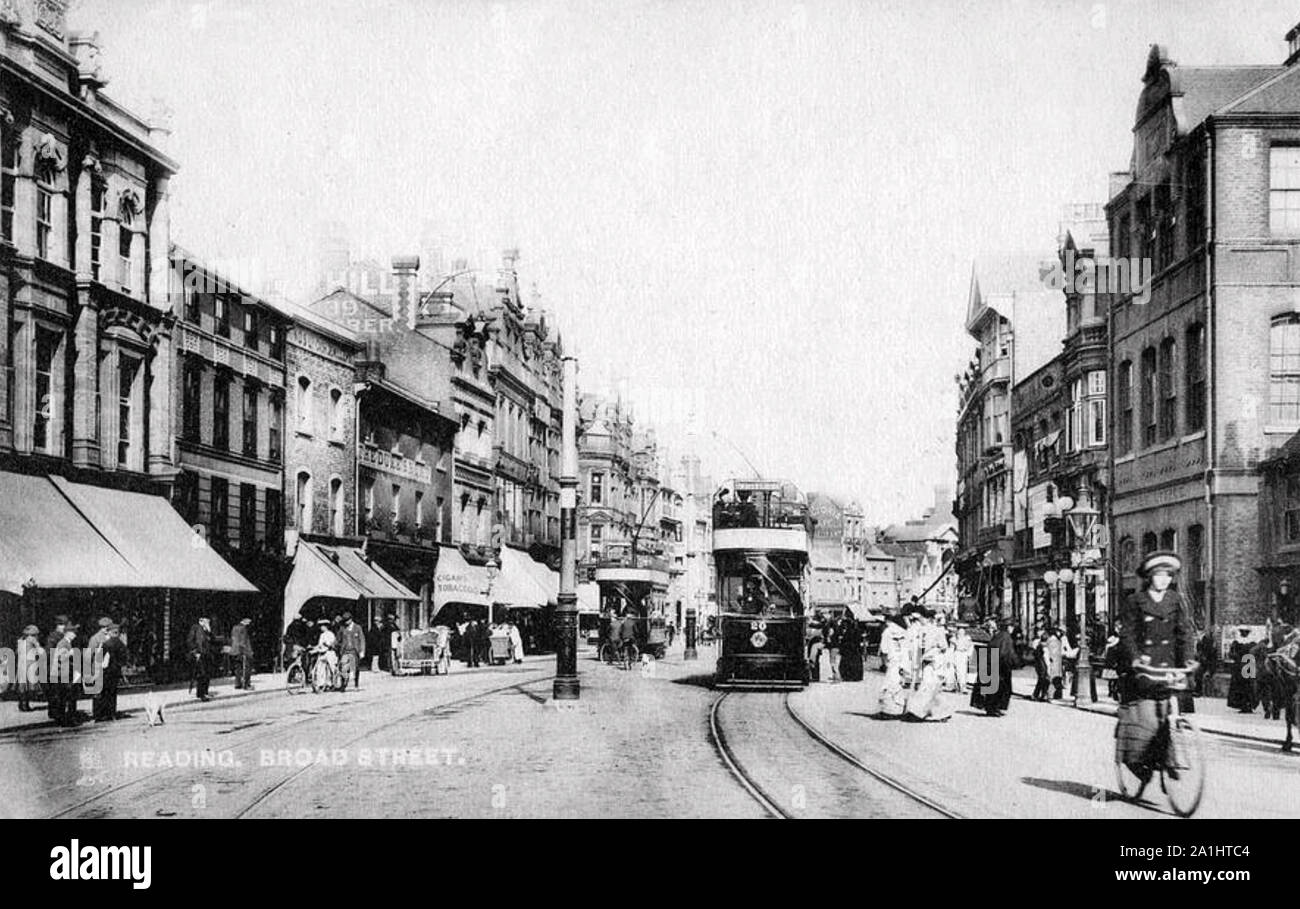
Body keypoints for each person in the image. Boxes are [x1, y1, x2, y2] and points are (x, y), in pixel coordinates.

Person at [1116, 551, 1197, 791]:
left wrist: (1189, 660)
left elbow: (1184, 633)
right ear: (1149, 577)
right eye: (1158, 575)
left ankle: (1168, 756)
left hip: (1169, 666)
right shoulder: (1135, 601)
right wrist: (1135, 658)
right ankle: (1141, 764)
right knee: (1146, 723)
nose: (1163, 580)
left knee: (1171, 713)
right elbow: (1127, 634)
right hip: (1145, 669)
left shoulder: (1176, 600)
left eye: (1168, 576)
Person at [980, 619, 1019, 717]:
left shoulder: (999, 635)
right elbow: (1006, 652)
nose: (1012, 629)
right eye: (1012, 627)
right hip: (1000, 665)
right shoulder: (1006, 637)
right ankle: (993, 708)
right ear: (1008, 627)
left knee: (993, 688)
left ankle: (992, 708)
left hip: (992, 662)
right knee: (1001, 688)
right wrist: (1015, 662)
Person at [877, 612, 910, 716]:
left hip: (892, 661)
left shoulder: (887, 632)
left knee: (889, 683)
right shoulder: (905, 632)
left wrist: (885, 661)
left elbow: (884, 649)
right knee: (899, 683)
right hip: (903, 661)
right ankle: (901, 708)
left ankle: (890, 710)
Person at [94, 624, 129, 722]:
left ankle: (101, 714)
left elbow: (99, 658)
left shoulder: (106, 644)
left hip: (105, 672)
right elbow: (124, 659)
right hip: (115, 671)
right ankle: (112, 714)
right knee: (113, 693)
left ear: (110, 632)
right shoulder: (121, 644)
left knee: (103, 692)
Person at [45, 616, 69, 724]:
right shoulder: (55, 636)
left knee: (56, 692)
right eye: (63, 625)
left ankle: (55, 713)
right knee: (57, 692)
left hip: (57, 667)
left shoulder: (57, 636)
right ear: (59, 625)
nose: (65, 627)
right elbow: (49, 652)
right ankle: (57, 714)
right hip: (56, 667)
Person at [1227, 627, 1257, 713]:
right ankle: (1247, 705)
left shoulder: (1237, 643)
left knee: (1244, 686)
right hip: (1248, 665)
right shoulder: (1252, 643)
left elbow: (1231, 654)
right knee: (1246, 686)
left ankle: (1245, 705)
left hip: (1241, 665)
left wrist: (1236, 657)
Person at [16, 625, 42, 712]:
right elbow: (39, 650)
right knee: (29, 685)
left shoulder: (20, 640)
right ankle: (25, 704)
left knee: (23, 686)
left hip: (21, 665)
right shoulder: (33, 640)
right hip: (30, 664)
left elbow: (17, 652)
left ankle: (22, 703)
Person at [187, 616, 214, 701]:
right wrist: (195, 651)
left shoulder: (206, 630)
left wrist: (209, 631)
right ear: (201, 621)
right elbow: (190, 641)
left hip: (207, 654)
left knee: (207, 674)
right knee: (202, 674)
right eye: (206, 621)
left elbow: (212, 640)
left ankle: (205, 692)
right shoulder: (195, 628)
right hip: (199, 654)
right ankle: (201, 694)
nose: (208, 622)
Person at [338, 612, 365, 689]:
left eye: (347, 620)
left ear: (351, 619)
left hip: (354, 651)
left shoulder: (357, 628)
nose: (346, 622)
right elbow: (338, 639)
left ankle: (356, 684)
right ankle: (343, 685)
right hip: (345, 651)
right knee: (343, 667)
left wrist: (362, 651)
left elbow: (362, 639)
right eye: (345, 621)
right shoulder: (342, 628)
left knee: (356, 668)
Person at [838, 614, 864, 682]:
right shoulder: (857, 630)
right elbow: (859, 640)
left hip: (849, 649)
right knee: (855, 663)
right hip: (855, 649)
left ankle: (848, 676)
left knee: (848, 663)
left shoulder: (848, 631)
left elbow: (845, 640)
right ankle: (855, 676)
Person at [230, 617, 254, 690]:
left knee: (237, 668)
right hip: (243, 651)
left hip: (234, 651)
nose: (249, 623)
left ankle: (238, 684)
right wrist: (245, 652)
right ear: (244, 620)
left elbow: (233, 638)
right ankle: (246, 685)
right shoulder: (243, 628)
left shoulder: (234, 628)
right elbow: (243, 641)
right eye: (248, 621)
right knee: (246, 668)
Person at [1031, 630, 1051, 701]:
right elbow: (1046, 659)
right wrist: (1049, 668)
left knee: (1041, 680)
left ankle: (1038, 695)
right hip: (1043, 666)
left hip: (1039, 665)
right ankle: (1042, 695)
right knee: (1045, 681)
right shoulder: (1044, 648)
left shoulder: (1038, 646)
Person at [1046, 626, 1064, 700]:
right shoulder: (1054, 640)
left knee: (1055, 679)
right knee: (1053, 679)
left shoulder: (1056, 640)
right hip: (1054, 662)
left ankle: (1054, 694)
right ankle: (1052, 694)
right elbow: (1053, 652)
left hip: (1056, 662)